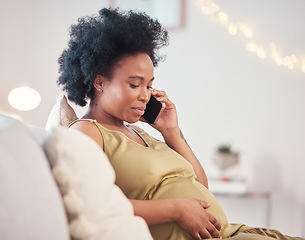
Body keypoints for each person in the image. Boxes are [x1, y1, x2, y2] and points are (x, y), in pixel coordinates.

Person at [57, 7, 304, 240]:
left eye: (149, 85)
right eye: (134, 84)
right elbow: (91, 203)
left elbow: (200, 186)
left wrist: (171, 131)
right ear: (99, 83)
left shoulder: (138, 132)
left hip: (230, 232)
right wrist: (176, 209)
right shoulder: (86, 131)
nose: (145, 95)